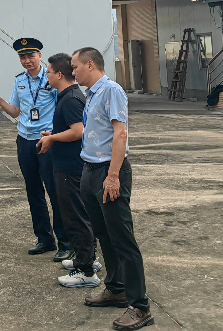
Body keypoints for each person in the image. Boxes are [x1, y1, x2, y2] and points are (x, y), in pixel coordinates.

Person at [71, 47, 153, 331]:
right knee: (104, 233)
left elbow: (121, 133)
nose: (73, 72)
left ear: (90, 64)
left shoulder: (111, 91)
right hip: (90, 169)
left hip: (109, 171)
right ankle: (116, 289)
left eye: (75, 67)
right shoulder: (92, 94)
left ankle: (140, 306)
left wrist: (114, 176)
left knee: (122, 238)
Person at [0, 38, 71, 260]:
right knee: (33, 191)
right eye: (22, 57)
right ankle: (44, 239)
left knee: (55, 191)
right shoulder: (20, 80)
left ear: (40, 56)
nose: (27, 61)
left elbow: (63, 106)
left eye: (31, 56)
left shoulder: (52, 78)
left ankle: (66, 242)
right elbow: (15, 111)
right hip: (25, 140)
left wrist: (56, 134)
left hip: (47, 140)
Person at [36, 53, 101, 288]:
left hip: (71, 168)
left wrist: (52, 138)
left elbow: (78, 131)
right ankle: (87, 258)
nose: (47, 76)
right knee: (78, 215)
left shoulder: (71, 99)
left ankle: (86, 270)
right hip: (67, 165)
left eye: (49, 72)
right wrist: (53, 134)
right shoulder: (67, 96)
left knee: (76, 217)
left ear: (59, 74)